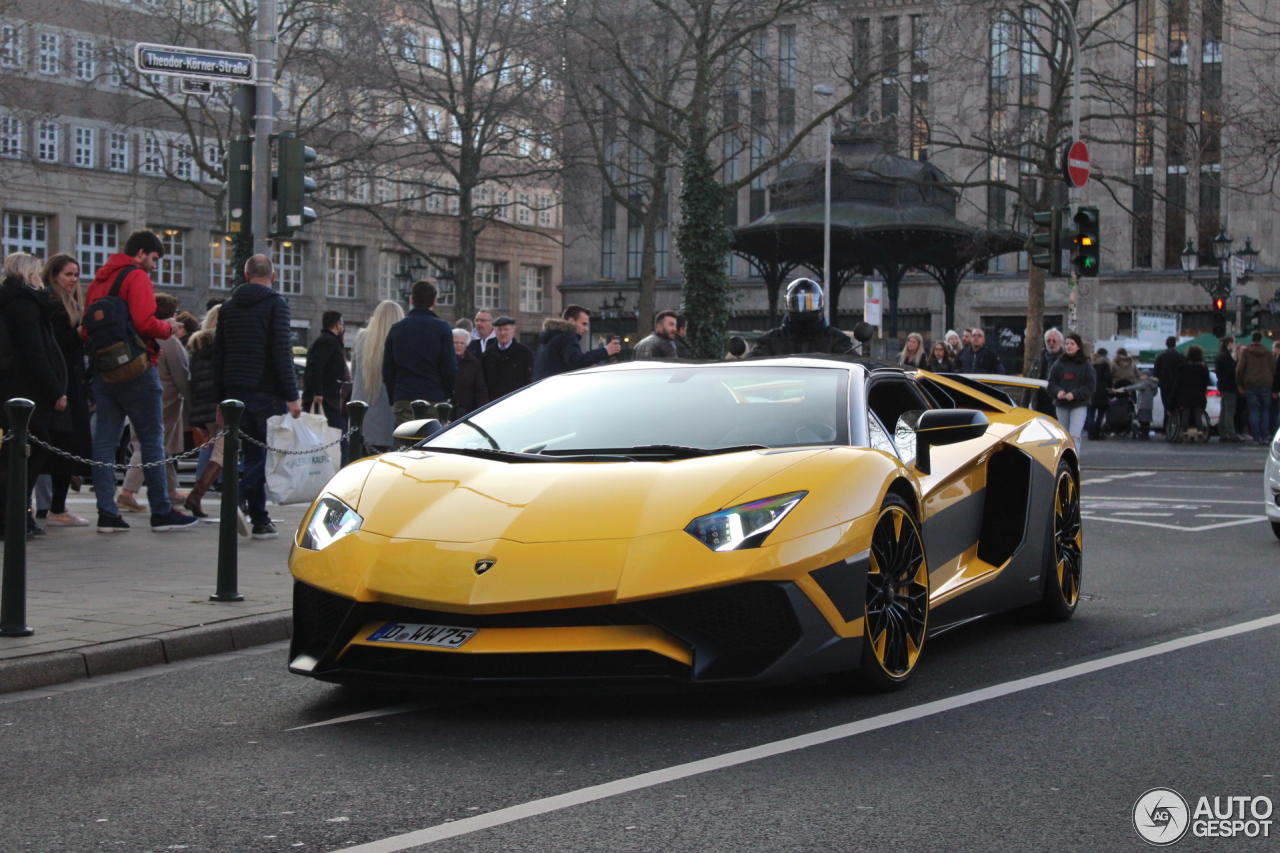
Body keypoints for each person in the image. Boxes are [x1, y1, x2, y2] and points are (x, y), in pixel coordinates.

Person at [83, 231, 198, 533]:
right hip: (137, 370)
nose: (154, 266)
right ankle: (161, 511)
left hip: (105, 370)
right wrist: (169, 328)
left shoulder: (97, 282)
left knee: (105, 443)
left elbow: (86, 329)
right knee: (151, 441)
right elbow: (145, 323)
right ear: (141, 253)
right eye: (154, 259)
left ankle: (107, 514)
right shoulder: (136, 278)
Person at [213, 254, 303, 540]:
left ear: (246, 274)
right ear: (273, 276)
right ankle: (238, 497)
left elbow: (220, 353)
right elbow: (281, 352)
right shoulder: (276, 304)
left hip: (235, 391)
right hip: (267, 391)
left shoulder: (227, 308)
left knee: (252, 453)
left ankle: (260, 519)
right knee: (268, 457)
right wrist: (292, 396)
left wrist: (220, 398)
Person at [0, 253, 68, 539]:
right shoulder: (24, 305)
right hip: (25, 391)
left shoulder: (15, 302)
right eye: (38, 273)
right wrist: (55, 389)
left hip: (16, 388)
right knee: (28, 449)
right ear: (29, 275)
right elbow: (35, 351)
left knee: (20, 451)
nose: (41, 278)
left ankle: (16, 514)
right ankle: (12, 516)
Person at [120, 294, 191, 508]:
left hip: (136, 394)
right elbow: (181, 375)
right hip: (165, 400)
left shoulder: (140, 334)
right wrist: (192, 401)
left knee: (160, 446)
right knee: (150, 445)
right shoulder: (169, 340)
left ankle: (170, 489)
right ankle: (127, 492)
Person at [39, 253, 91, 527]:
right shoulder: (53, 303)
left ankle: (53, 507)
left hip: (70, 381)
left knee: (62, 446)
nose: (72, 280)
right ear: (54, 274)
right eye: (68, 274)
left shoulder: (67, 302)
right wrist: (81, 332)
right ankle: (55, 508)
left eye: (75, 275)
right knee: (61, 445)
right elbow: (56, 344)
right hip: (62, 382)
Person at [383, 280, 457, 424]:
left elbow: (388, 369)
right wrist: (446, 394)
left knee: (404, 443)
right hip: (433, 395)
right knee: (430, 444)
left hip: (404, 394)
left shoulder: (397, 328)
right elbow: (449, 366)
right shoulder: (442, 328)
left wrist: (395, 395)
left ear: (412, 300)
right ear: (434, 302)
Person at [349, 300, 404, 452]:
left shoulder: (361, 338)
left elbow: (354, 374)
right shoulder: (401, 340)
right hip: (390, 411)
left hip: (362, 411)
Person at [184, 305, 223, 517]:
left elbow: (194, 380)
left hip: (204, 405)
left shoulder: (197, 343)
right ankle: (196, 495)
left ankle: (197, 497)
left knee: (222, 451)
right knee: (224, 452)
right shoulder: (223, 343)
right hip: (222, 405)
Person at [748, 279, 854, 357]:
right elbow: (752, 367)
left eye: (810, 303)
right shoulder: (771, 340)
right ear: (788, 304)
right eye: (797, 303)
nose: (803, 309)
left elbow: (853, 365)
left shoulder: (835, 339)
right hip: (781, 387)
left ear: (820, 303)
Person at [304, 310, 348, 463]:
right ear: (337, 325)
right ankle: (344, 469)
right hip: (326, 399)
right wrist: (318, 393)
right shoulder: (329, 342)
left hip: (324, 397)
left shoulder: (323, 340)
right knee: (341, 437)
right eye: (342, 325)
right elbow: (317, 365)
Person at [532, 304, 621, 380]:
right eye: (584, 324)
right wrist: (605, 351)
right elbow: (576, 362)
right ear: (571, 321)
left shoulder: (551, 337)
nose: (586, 329)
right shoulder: (567, 336)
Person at [1047, 333, 1095, 447]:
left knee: (1074, 436)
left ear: (1078, 346)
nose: (1069, 346)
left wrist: (1075, 394)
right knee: (1063, 436)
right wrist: (1057, 391)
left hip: (1079, 405)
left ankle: (1074, 460)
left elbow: (1090, 386)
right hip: (1061, 404)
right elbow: (1051, 383)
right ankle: (1064, 461)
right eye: (1067, 344)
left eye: (1072, 344)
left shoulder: (1086, 365)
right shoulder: (1058, 363)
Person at [1235, 331, 1276, 445]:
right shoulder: (1268, 352)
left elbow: (1239, 370)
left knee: (1253, 411)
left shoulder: (1246, 353)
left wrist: (1240, 384)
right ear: (1261, 340)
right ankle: (1265, 436)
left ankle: (1256, 438)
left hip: (1251, 385)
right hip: (1265, 385)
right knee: (1265, 412)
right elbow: (1273, 369)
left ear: (1252, 340)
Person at [481, 316, 535, 399]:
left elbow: (530, 379)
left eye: (506, 329)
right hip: (494, 403)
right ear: (494, 331)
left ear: (513, 331)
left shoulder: (525, 352)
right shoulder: (487, 354)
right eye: (499, 329)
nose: (503, 333)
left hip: (517, 400)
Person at [1172, 345, 1211, 441]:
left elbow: (1179, 382)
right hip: (1198, 393)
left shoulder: (1182, 367)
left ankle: (1185, 434)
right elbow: (1207, 381)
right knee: (1198, 414)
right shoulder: (1202, 367)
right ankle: (1200, 434)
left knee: (1185, 413)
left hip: (1185, 393)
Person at [451, 329, 489, 417]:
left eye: (462, 343)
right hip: (446, 408)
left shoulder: (474, 364)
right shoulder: (443, 361)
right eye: (455, 342)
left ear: (466, 345)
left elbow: (480, 389)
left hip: (466, 411)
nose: (458, 346)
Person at [1030, 328, 1063, 414]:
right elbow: (1030, 381)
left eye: (1054, 341)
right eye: (1048, 341)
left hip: (1059, 403)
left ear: (1060, 342)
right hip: (1040, 403)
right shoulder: (1039, 359)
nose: (1051, 343)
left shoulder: (1066, 360)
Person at [1214, 337, 1241, 442]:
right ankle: (1231, 433)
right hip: (1229, 386)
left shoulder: (1220, 355)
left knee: (1224, 410)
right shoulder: (1226, 356)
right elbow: (1231, 371)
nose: (1233, 346)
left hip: (1223, 385)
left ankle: (1223, 432)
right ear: (1229, 344)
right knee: (1229, 409)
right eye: (1232, 344)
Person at [1153, 335, 1185, 418]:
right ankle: (1176, 424)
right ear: (1175, 344)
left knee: (1166, 406)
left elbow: (1156, 373)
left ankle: (1167, 424)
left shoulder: (1160, 357)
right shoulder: (1181, 357)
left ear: (1166, 344)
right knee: (1176, 406)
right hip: (1177, 385)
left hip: (1165, 385)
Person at [1086, 347, 1113, 440]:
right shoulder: (1105, 364)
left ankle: (1090, 434)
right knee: (1101, 413)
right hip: (1101, 390)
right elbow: (1108, 377)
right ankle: (1097, 432)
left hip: (1090, 390)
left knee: (1090, 413)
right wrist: (1110, 387)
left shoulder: (1090, 364)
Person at [1132, 370, 1158, 438]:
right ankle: (1145, 434)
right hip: (1148, 405)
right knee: (1146, 421)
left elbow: (1135, 387)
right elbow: (1154, 392)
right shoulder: (1152, 383)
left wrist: (1125, 389)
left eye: (1143, 375)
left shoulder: (1145, 383)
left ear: (1147, 376)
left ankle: (1144, 435)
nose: (1141, 377)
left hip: (1143, 405)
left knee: (1142, 420)